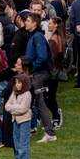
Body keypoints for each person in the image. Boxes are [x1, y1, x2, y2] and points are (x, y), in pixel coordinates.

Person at [20, 11, 57, 142]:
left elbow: (42, 56)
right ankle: (37, 129)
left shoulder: (37, 37)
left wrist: (31, 68)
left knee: (39, 102)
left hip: (39, 74)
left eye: (28, 21)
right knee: (36, 102)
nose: (25, 22)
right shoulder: (33, 36)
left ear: (35, 23)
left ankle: (49, 132)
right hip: (36, 73)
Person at [3, 74, 32, 159]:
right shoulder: (14, 92)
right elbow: (7, 106)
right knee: (16, 144)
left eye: (19, 82)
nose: (17, 85)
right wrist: (15, 108)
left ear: (24, 83)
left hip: (24, 121)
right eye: (16, 82)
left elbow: (23, 109)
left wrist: (13, 108)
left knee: (23, 145)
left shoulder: (27, 94)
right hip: (15, 120)